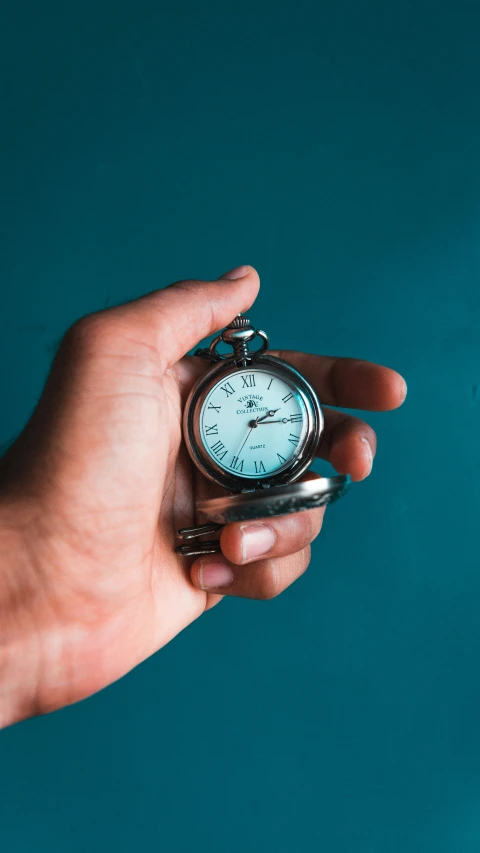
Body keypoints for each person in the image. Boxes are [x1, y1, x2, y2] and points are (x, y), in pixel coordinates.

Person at [0, 266, 406, 728]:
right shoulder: (190, 401)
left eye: (261, 418)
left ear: (301, 414)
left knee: (272, 518)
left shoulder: (268, 399)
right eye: (246, 417)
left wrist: (29, 608)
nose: (253, 422)